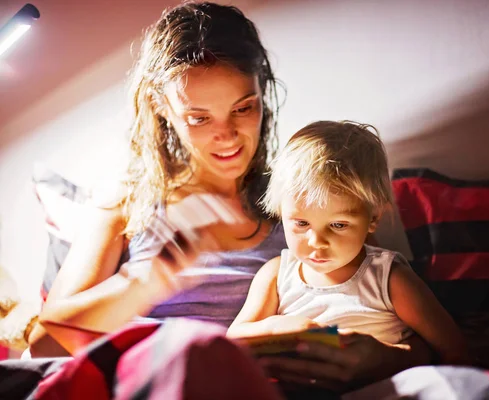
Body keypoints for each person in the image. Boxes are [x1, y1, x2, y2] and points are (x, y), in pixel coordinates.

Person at [26, 1, 436, 393]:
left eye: (243, 109)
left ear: (263, 93)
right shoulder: (130, 201)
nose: (226, 136)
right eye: (199, 118)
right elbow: (45, 345)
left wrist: (385, 358)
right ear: (162, 107)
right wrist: (153, 277)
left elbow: (405, 318)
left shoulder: (302, 202)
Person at [228, 121, 468, 365]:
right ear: (281, 213)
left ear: (373, 218)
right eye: (301, 223)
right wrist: (279, 326)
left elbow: (453, 348)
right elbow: (233, 339)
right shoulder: (277, 274)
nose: (317, 241)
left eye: (338, 225)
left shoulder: (388, 278)